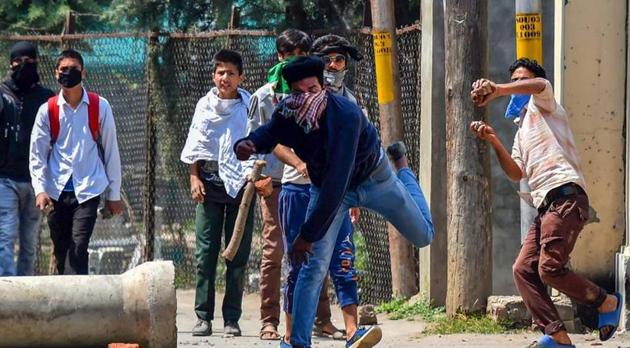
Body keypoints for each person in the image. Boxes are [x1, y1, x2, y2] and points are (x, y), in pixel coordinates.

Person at [234, 56, 434, 348]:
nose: (308, 97)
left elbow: (336, 184)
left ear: (323, 87)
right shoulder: (288, 112)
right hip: (328, 188)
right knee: (312, 265)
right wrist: (250, 143)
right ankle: (296, 343)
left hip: (374, 179)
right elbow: (271, 133)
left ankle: (403, 168)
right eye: (300, 92)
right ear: (291, 93)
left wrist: (307, 235)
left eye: (313, 89)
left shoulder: (346, 115)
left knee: (423, 235)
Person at [469, 58, 622, 348]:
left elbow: (540, 84)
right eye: (513, 81)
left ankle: (607, 302)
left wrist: (498, 88)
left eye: (520, 80)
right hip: (546, 207)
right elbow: (516, 173)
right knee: (523, 269)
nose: (516, 86)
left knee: (549, 269)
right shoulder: (521, 128)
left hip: (565, 196)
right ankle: (558, 337)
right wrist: (493, 140)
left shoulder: (545, 104)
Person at [249, 29, 342, 341]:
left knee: (316, 246)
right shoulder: (265, 95)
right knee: (276, 252)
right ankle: (270, 320)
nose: (296, 63)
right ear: (280, 58)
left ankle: (322, 318)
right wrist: (263, 176)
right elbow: (261, 139)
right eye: (290, 57)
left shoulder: (316, 92)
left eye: (302, 57)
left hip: (309, 179)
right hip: (276, 180)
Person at [275, 34, 364, 345]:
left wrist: (353, 192)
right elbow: (276, 142)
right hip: (299, 190)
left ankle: (354, 331)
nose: (333, 65)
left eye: (339, 60)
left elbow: (355, 152)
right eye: (327, 60)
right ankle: (290, 335)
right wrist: (301, 165)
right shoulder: (293, 96)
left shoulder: (351, 102)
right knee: (298, 264)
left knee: (343, 257)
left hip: (336, 195)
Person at [180, 49, 255, 338]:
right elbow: (196, 143)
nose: (225, 77)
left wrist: (253, 179)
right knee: (206, 253)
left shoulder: (249, 105)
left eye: (231, 73)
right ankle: (203, 317)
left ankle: (232, 319)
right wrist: (194, 177)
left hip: (242, 186)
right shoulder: (204, 105)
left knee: (237, 253)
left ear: (240, 77)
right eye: (220, 72)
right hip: (209, 187)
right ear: (214, 75)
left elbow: (257, 139)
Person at [29, 48, 123, 275]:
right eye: (64, 69)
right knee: (62, 249)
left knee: (79, 245)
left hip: (88, 188)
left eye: (74, 69)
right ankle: (71, 298)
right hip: (56, 189)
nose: (68, 73)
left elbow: (111, 150)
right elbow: (37, 154)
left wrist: (114, 194)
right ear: (55, 73)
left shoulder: (100, 106)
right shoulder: (47, 110)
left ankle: (77, 305)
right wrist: (40, 190)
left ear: (84, 73)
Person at [0, 42, 54, 276]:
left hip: (36, 181)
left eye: (30, 62)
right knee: (5, 237)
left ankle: (26, 292)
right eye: (19, 62)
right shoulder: (2, 94)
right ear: (11, 64)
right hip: (5, 179)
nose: (24, 67)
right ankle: (6, 294)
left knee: (30, 243)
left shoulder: (46, 98)